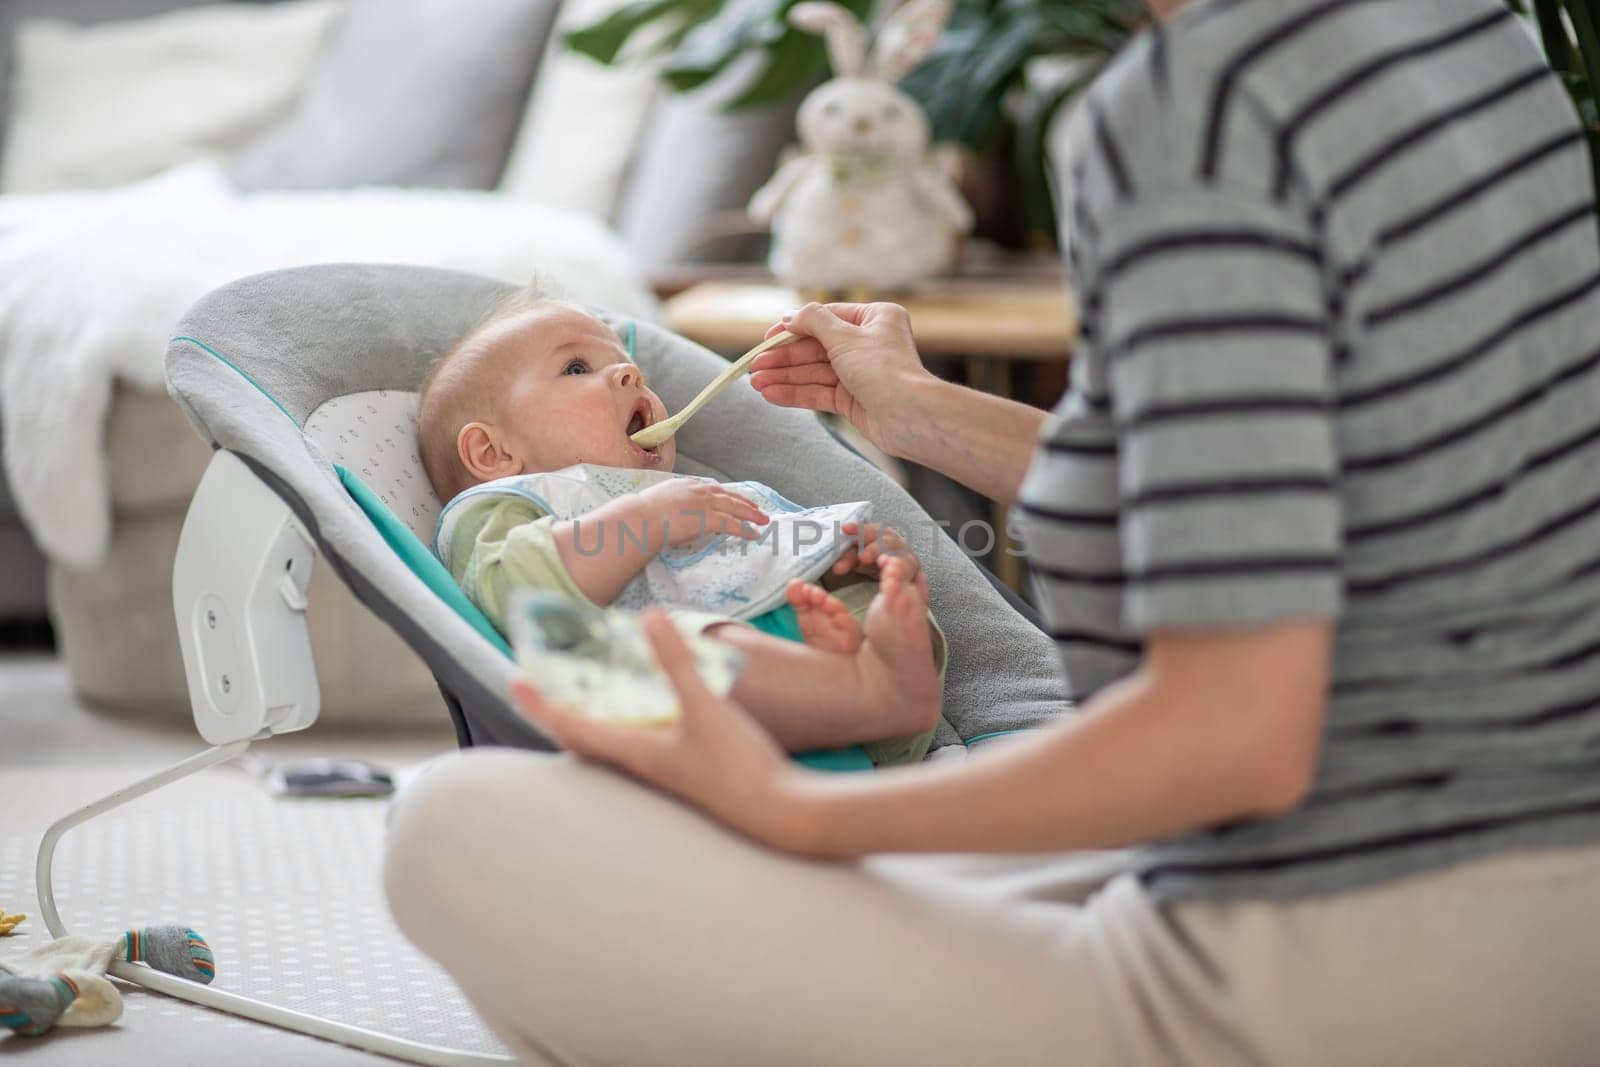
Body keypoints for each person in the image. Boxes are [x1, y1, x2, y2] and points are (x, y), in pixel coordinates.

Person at [385, 0, 1600, 1061]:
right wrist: (916, 414)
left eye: (609, 357)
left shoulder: (1201, 108)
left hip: (1341, 949)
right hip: (1539, 911)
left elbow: (1239, 736)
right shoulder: (1475, 36)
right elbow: (1274, 486)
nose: (622, 378)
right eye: (575, 366)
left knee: (451, 832)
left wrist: (802, 800)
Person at [416, 290, 947, 763]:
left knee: (890, 610)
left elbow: (772, 541)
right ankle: (867, 695)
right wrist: (647, 519)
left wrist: (848, 564)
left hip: (807, 656)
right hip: (673, 697)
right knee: (681, 648)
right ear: (492, 451)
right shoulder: (507, 502)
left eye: (626, 363)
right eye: (576, 368)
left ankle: (866, 687)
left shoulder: (696, 495)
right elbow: (517, 592)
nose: (631, 374)